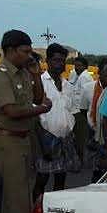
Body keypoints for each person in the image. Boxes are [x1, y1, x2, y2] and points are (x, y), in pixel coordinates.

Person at [0, 29, 51, 213]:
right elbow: (12, 111)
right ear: (11, 50)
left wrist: (35, 75)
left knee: (15, 195)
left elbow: (37, 98)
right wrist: (41, 110)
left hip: (22, 138)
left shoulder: (22, 72)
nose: (29, 55)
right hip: (7, 139)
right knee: (20, 197)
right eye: (25, 51)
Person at [33, 43, 79, 203]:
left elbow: (73, 112)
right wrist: (42, 143)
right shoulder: (39, 83)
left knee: (61, 179)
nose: (60, 64)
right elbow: (34, 116)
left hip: (65, 139)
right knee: (41, 179)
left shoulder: (68, 86)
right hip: (46, 138)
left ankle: (54, 212)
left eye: (62, 61)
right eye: (56, 60)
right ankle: (36, 211)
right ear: (47, 61)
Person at [69, 55, 93, 160]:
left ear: (85, 67)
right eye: (75, 66)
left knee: (80, 137)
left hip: (80, 110)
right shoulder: (78, 75)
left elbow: (86, 95)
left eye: (79, 66)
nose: (76, 68)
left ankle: (80, 160)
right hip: (76, 109)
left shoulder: (84, 77)